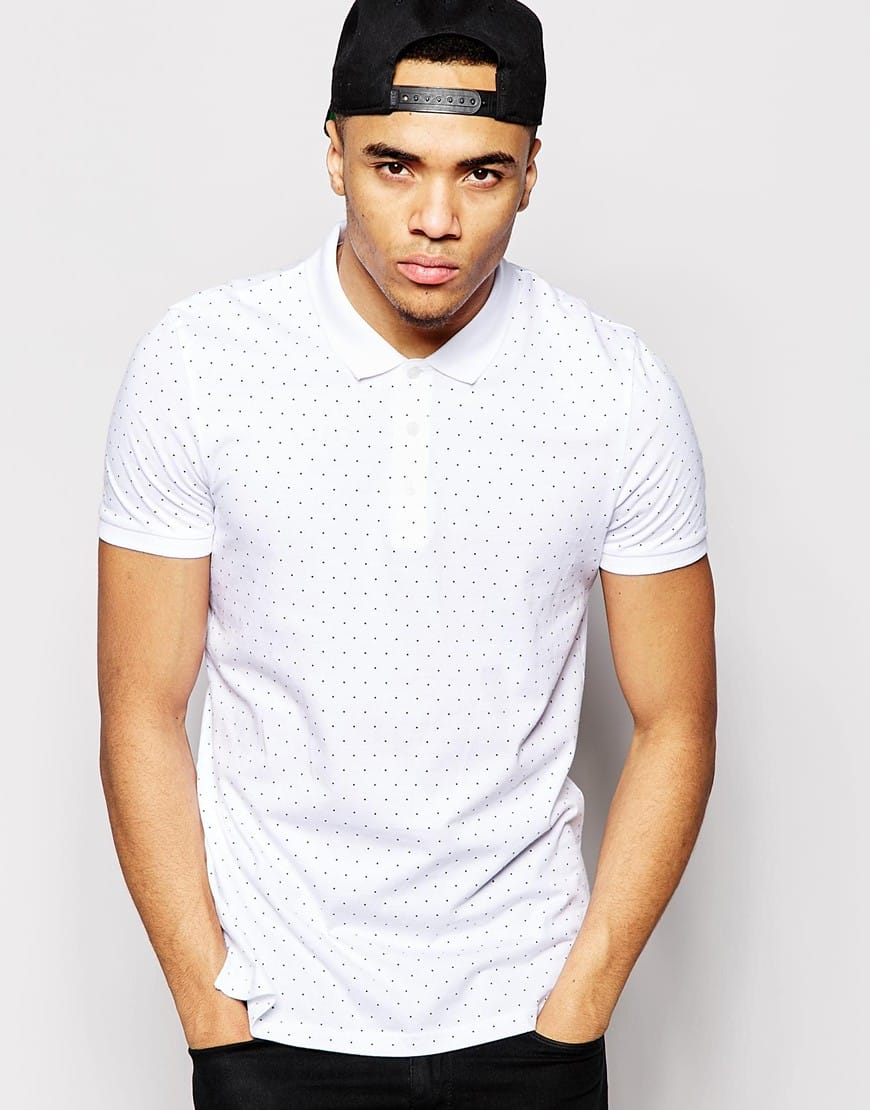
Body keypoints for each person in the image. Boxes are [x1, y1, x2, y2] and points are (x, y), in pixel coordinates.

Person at [96, 1, 717, 1107]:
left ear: (531, 173)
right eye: (395, 165)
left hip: (528, 1018)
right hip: (270, 1018)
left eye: (481, 173)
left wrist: (577, 1008)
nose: (436, 220)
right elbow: (141, 709)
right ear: (334, 155)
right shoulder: (200, 366)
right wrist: (212, 1016)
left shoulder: (615, 390)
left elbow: (678, 721)